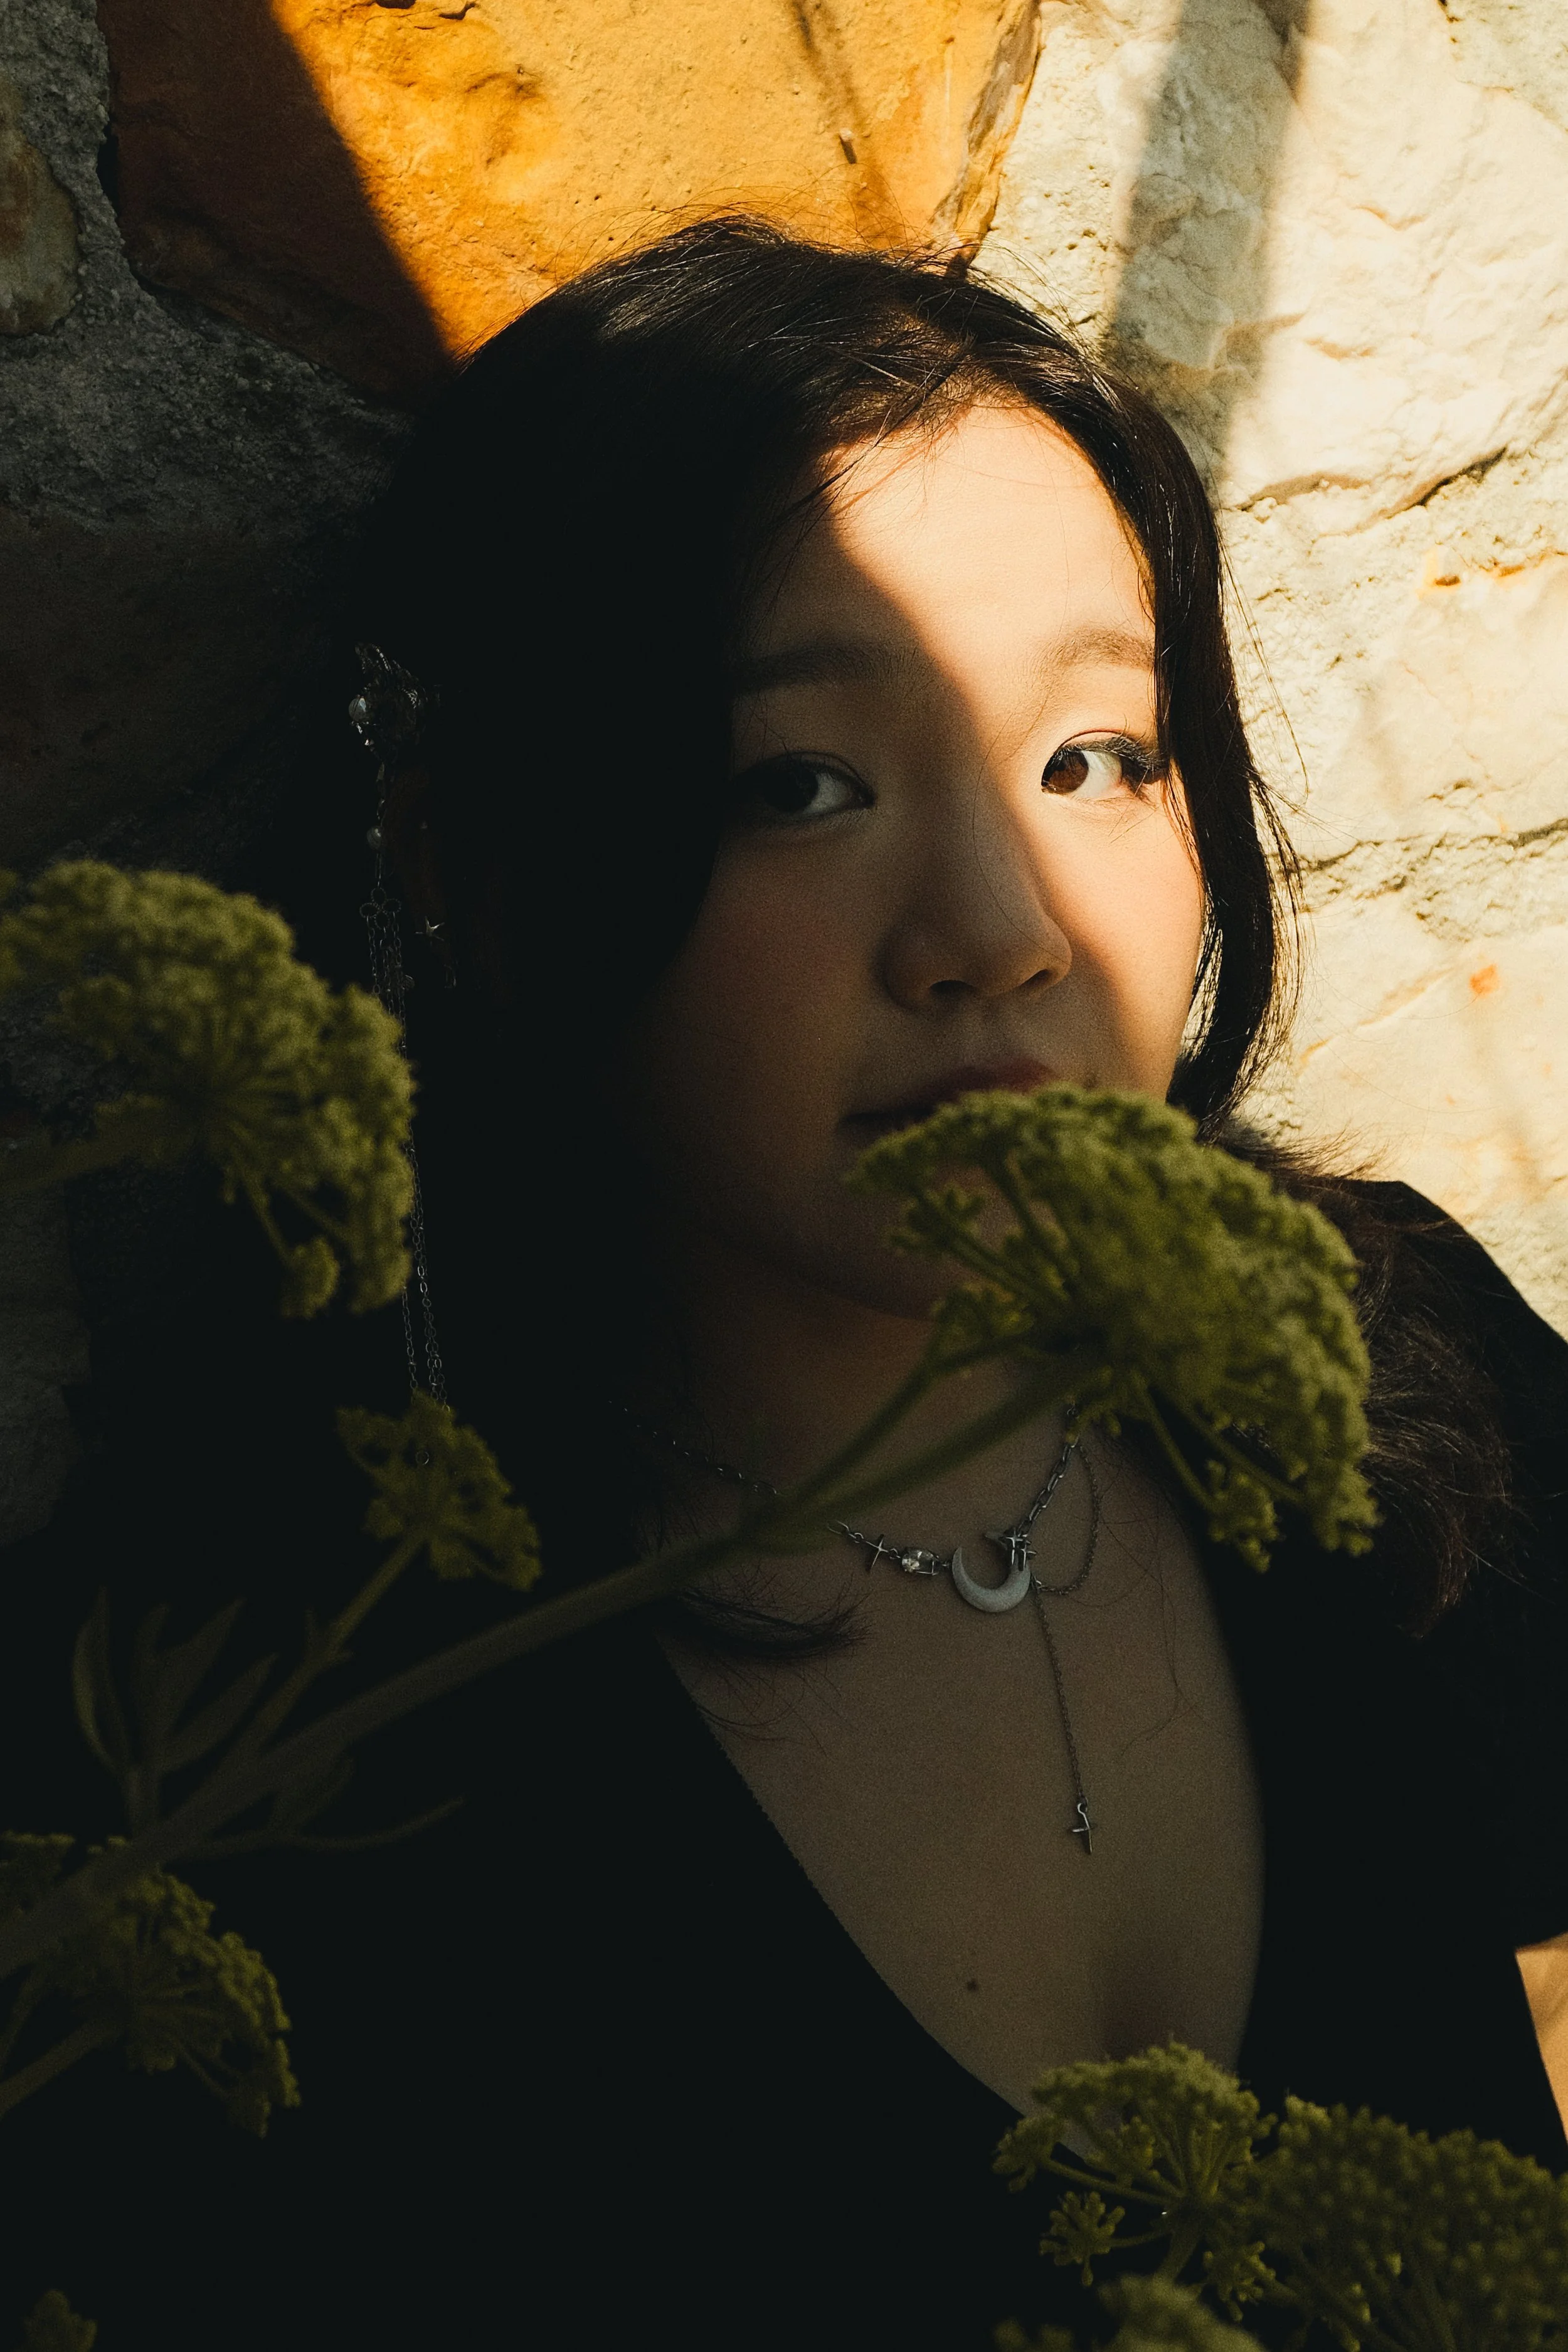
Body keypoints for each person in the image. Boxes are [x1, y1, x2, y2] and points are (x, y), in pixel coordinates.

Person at [5, 218, 1566, 2349]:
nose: (998, 930)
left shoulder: (1397, 1382)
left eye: (1095, 757)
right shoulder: (265, 1712)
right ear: (475, 872)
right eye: (802, 783)